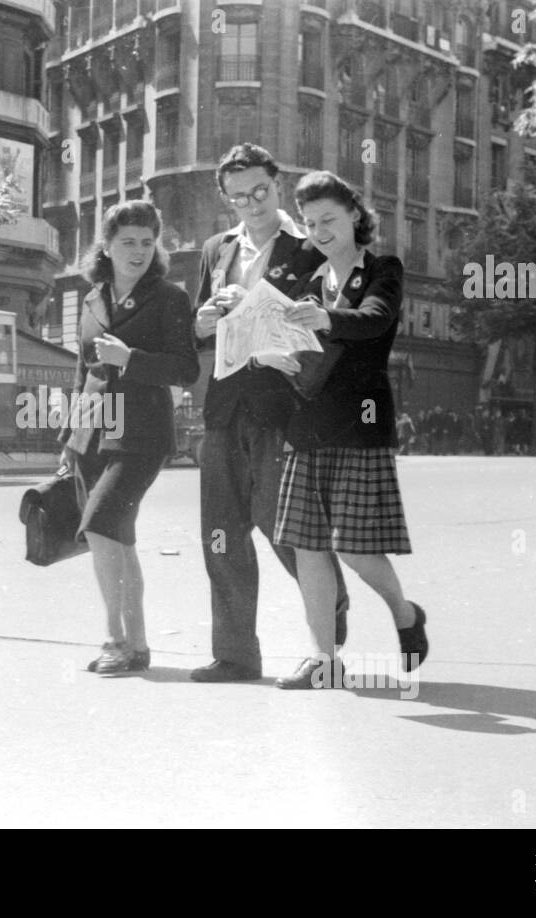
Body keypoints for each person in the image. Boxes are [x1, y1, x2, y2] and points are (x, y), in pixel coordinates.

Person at [189, 143, 350, 683]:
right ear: (227, 200)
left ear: (278, 186)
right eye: (239, 197)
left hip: (283, 404)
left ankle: (330, 613)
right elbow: (196, 328)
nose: (251, 203)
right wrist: (205, 320)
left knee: (280, 522)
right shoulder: (216, 249)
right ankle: (235, 654)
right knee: (222, 532)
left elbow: (332, 328)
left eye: (260, 191)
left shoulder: (311, 248)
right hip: (224, 403)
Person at [264, 170, 428, 689]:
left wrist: (325, 318)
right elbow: (274, 321)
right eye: (310, 222)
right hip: (308, 424)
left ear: (355, 215)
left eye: (329, 219)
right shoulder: (307, 276)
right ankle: (323, 659)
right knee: (308, 545)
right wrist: (272, 352)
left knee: (356, 547)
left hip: (360, 424)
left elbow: (375, 320)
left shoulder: (382, 269)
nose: (318, 230)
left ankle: (405, 614)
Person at [59, 200, 200, 675]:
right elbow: (84, 372)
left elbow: (186, 367)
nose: (138, 252)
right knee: (118, 540)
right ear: (107, 246)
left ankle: (115, 639)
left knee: (100, 525)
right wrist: (70, 439)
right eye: (128, 242)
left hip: (142, 432)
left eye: (147, 242)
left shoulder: (169, 298)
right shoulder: (93, 297)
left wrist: (131, 358)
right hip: (95, 431)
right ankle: (136, 646)